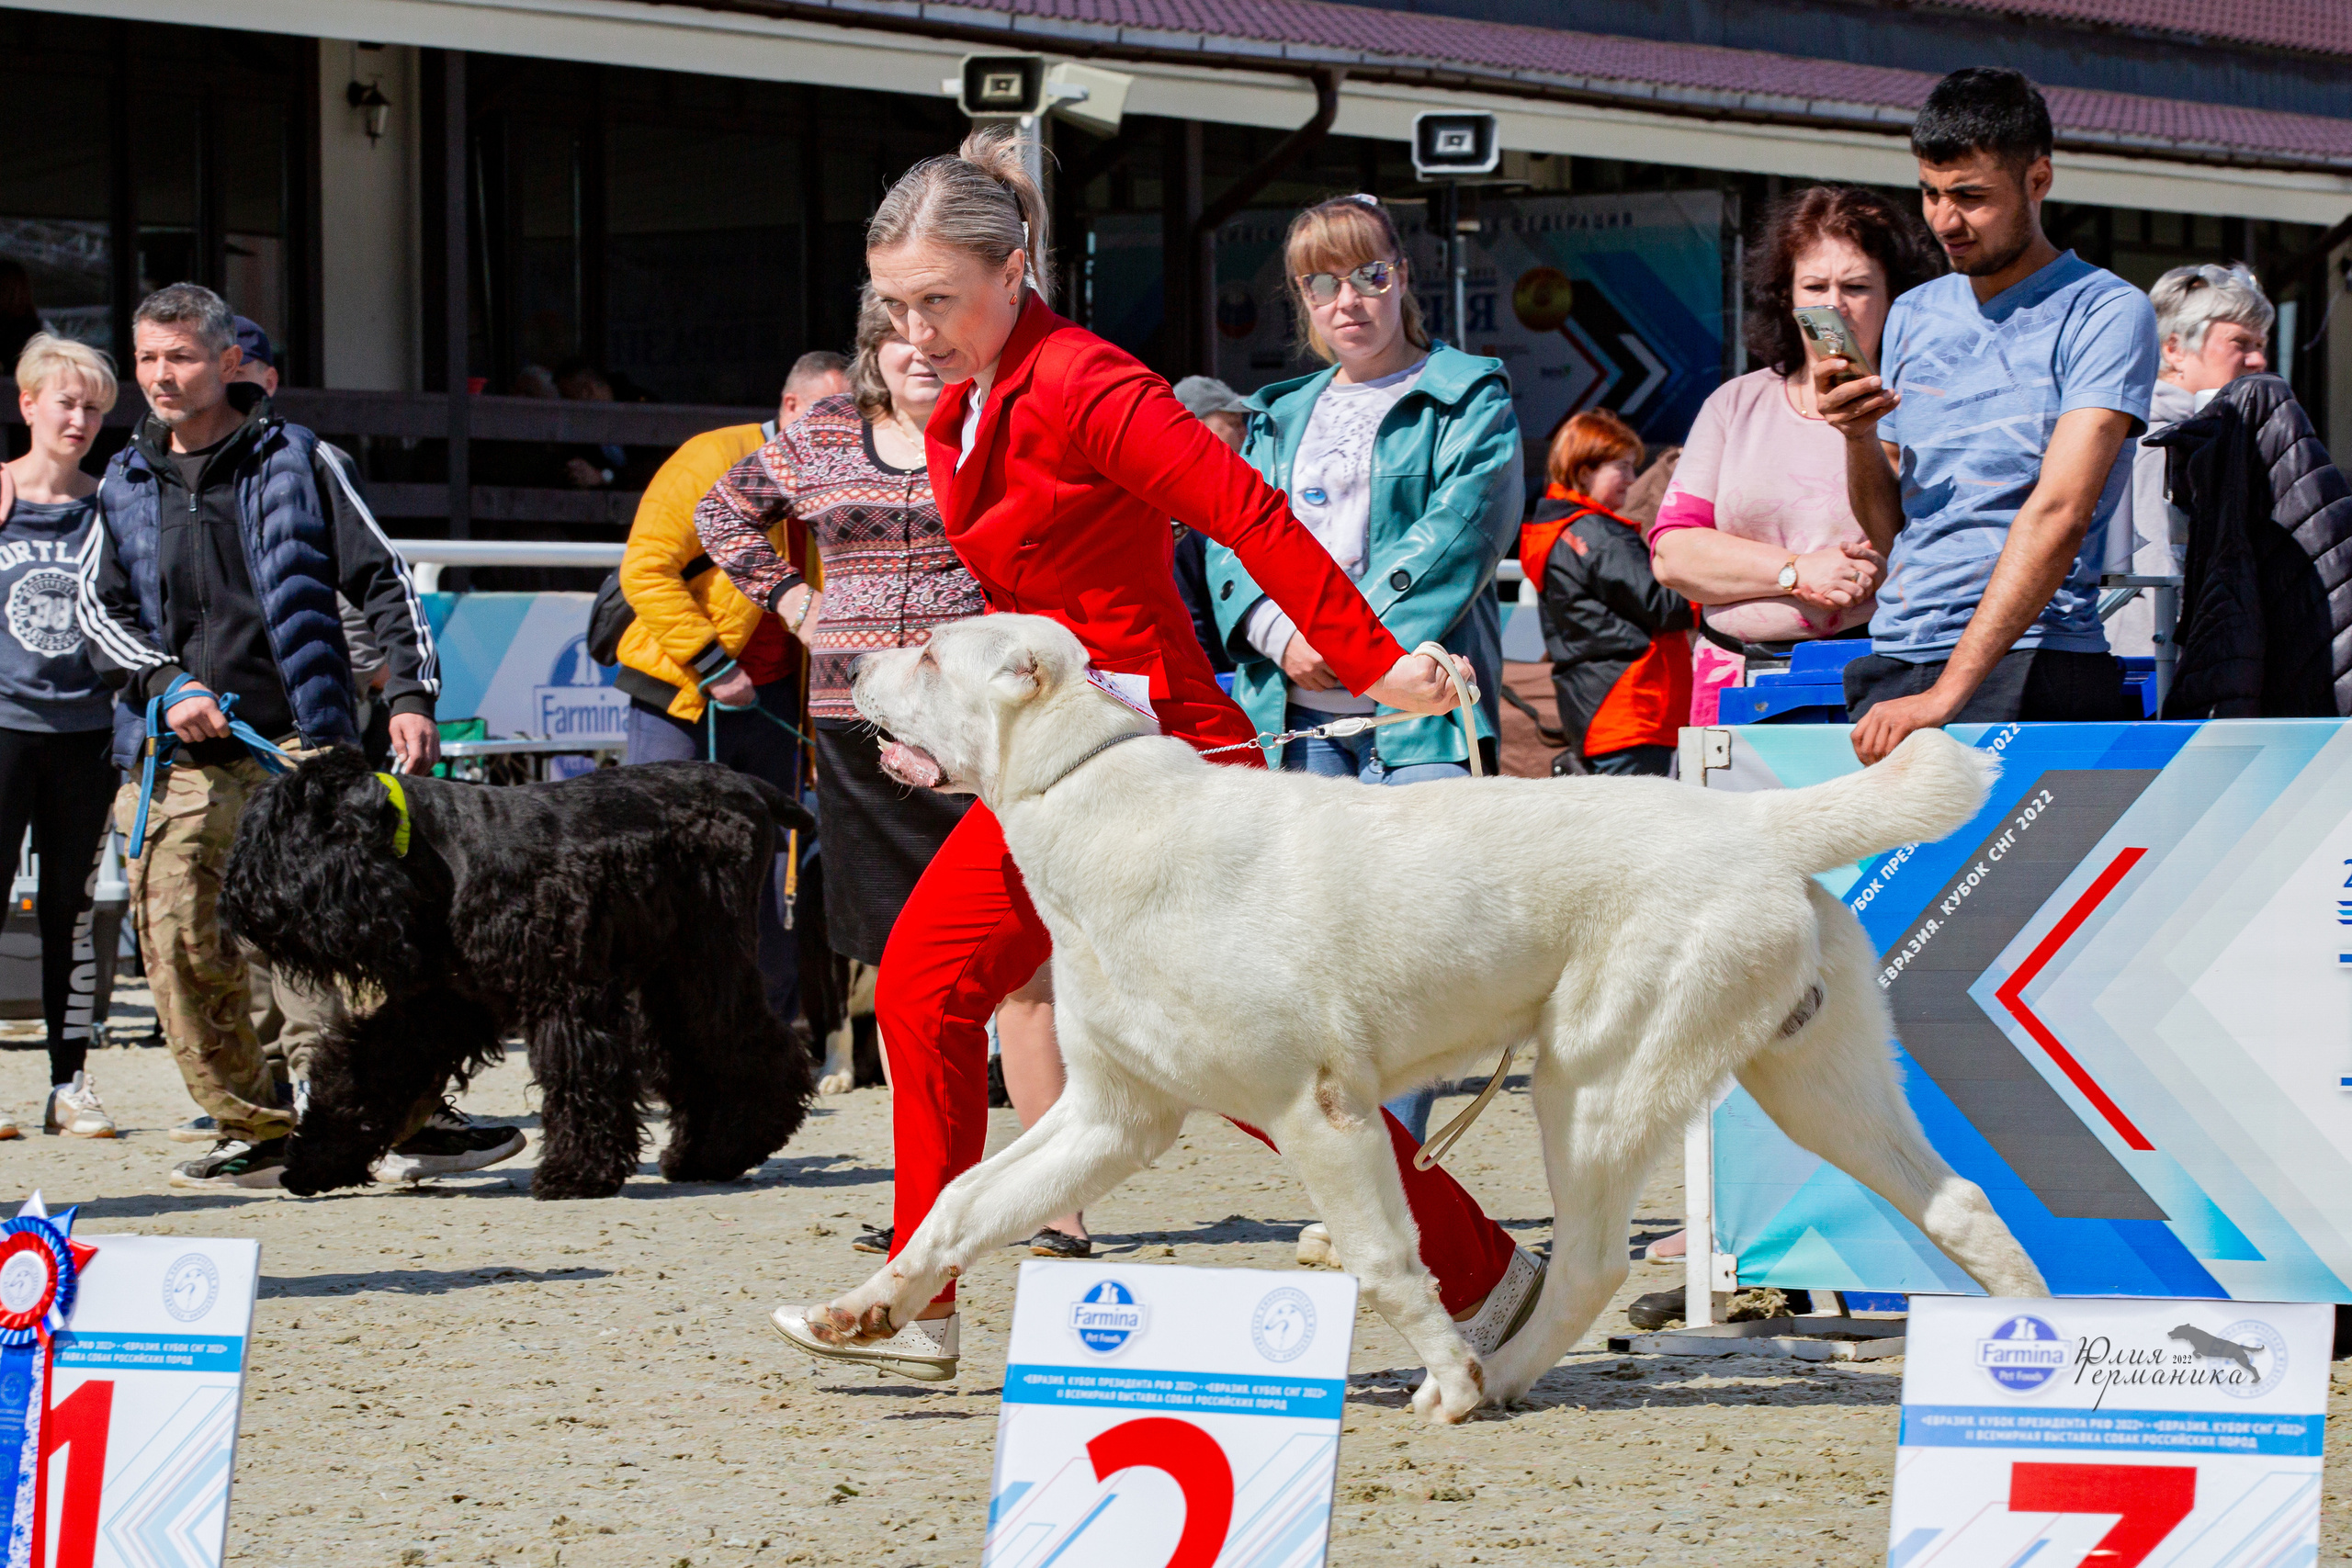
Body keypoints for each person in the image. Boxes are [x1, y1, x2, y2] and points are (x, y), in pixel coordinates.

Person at [769, 129, 1542, 1383]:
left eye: (936, 301)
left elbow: (1245, 508)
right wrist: (957, 738)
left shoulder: (1085, 382)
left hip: (1160, 753)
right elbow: (1017, 605)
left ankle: (1488, 1274)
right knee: (922, 986)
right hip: (1056, 767)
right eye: (893, 305)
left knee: (1244, 1068)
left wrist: (1367, 659)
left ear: (1014, 271)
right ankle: (923, 1296)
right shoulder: (961, 403)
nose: (910, 332)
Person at [703, 296, 1113, 1258]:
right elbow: (719, 514)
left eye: (932, 330)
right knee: (902, 968)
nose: (916, 351)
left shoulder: (991, 425)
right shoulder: (823, 432)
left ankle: (1057, 1205)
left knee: (1021, 975)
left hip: (978, 733)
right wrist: (791, 600)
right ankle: (926, 1199)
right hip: (855, 724)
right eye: (894, 335)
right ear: (871, 349)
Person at [76, 282, 509, 1192]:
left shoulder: (299, 459)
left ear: (230, 360)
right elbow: (97, 610)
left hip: (304, 751)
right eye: (147, 358)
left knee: (353, 945)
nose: (160, 375)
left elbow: (385, 579)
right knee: (181, 949)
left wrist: (412, 694)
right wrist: (165, 683)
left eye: (181, 356)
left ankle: (405, 1119)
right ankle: (256, 1129)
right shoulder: (122, 478)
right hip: (179, 760)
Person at [1206, 194, 1520, 1143]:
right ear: (1301, 299)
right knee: (1316, 961)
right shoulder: (1274, 414)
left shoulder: (1470, 395)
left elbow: (1462, 533)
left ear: (1403, 277)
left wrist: (1347, 640)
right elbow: (1229, 540)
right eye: (1322, 283)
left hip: (1421, 719)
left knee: (1415, 957)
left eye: (1369, 274)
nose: (1349, 300)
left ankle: (1391, 1166)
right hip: (1298, 720)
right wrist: (1277, 632)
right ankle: (1352, 1168)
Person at [1819, 69, 2157, 763]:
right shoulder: (1913, 312)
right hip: (1900, 655)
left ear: (2038, 180)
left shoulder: (2106, 310)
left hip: (2033, 660)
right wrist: (1856, 436)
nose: (1945, 221)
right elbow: (1893, 529)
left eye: (1971, 197)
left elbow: (2060, 513)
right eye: (1931, 193)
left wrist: (1947, 695)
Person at [615, 356, 847, 1027]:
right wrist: (713, 664)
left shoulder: (834, 479)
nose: (838, 432)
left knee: (769, 870)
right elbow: (646, 568)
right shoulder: (711, 456)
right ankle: (652, 1028)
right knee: (660, 857)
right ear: (791, 406)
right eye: (827, 414)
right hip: (687, 693)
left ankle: (764, 1029)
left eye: (849, 419)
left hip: (776, 699)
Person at [1650, 186, 1937, 654]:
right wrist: (1796, 570)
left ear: (1895, 297)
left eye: (1857, 287)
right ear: (1787, 298)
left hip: (1872, 669)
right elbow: (1672, 555)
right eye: (1815, 288)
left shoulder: (1925, 405)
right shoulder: (1734, 404)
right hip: (1732, 672)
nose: (1834, 306)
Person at [0, 335, 121, 1140]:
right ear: (29, 404)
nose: (78, 419)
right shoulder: (0, 492)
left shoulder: (113, 504)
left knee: (71, 910)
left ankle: (68, 1082)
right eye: (66, 402)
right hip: (3, 724)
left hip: (87, 729)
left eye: (94, 408)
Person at [2107, 264, 2271, 657]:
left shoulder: (2208, 436)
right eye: (2241, 342)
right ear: (2174, 349)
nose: (2258, 360)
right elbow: (2158, 572)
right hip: (2156, 667)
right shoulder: (2156, 441)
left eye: (2262, 345)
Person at [1527, 409, 1692, 777]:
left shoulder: (1558, 531)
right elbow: (1665, 605)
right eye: (1623, 467)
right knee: (1641, 812)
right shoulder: (1598, 535)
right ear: (1585, 471)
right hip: (1632, 707)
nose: (1632, 480)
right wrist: (1711, 582)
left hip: (1597, 708)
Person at [1168, 376, 1250, 676]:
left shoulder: (1228, 491)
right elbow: (1186, 611)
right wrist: (1211, 681)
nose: (1244, 432)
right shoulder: (1179, 502)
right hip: (1213, 675)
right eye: (1233, 423)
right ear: (1197, 427)